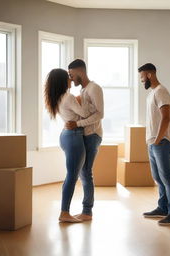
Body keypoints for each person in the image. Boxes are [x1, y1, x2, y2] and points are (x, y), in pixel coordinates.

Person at [44, 68, 95, 223]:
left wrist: (78, 99)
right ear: (62, 80)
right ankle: (64, 213)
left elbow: (74, 111)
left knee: (71, 175)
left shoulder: (58, 97)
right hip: (74, 137)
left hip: (66, 137)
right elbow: (85, 113)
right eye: (68, 77)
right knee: (72, 177)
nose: (71, 79)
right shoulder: (68, 97)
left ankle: (65, 211)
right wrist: (88, 101)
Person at [138, 63, 170, 226]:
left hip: (162, 141)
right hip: (153, 142)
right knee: (158, 178)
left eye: (142, 77)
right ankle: (162, 208)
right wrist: (151, 141)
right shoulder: (152, 94)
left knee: (166, 178)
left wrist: (157, 139)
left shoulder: (161, 91)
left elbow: (166, 117)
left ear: (149, 74)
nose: (141, 81)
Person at [65, 59, 104, 221]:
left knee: (86, 172)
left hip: (93, 135)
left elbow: (99, 114)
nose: (71, 78)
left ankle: (87, 212)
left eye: (72, 75)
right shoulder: (83, 90)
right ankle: (86, 210)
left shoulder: (94, 88)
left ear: (80, 72)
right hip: (85, 135)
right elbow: (86, 111)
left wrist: (77, 124)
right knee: (83, 173)